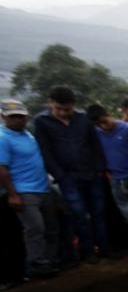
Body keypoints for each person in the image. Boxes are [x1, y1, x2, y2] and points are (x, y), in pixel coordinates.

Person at [31, 85, 113, 262]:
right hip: (67, 177)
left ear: (73, 105)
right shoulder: (42, 122)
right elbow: (45, 152)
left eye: (66, 109)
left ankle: (105, 247)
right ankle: (88, 250)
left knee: (99, 212)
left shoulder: (83, 120)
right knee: (79, 214)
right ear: (50, 103)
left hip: (92, 173)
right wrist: (59, 175)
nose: (62, 113)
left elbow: (95, 145)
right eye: (58, 108)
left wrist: (100, 169)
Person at [0, 100, 59, 277]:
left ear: (26, 116)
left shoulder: (28, 135)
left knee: (51, 228)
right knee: (35, 229)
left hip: (42, 187)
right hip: (23, 191)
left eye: (21, 116)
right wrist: (12, 194)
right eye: (13, 117)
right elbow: (2, 169)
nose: (18, 120)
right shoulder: (3, 138)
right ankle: (35, 264)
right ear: (4, 117)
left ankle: (48, 261)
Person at [88, 104, 128, 256]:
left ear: (109, 114)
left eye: (104, 121)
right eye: (99, 124)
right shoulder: (97, 134)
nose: (104, 126)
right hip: (116, 178)